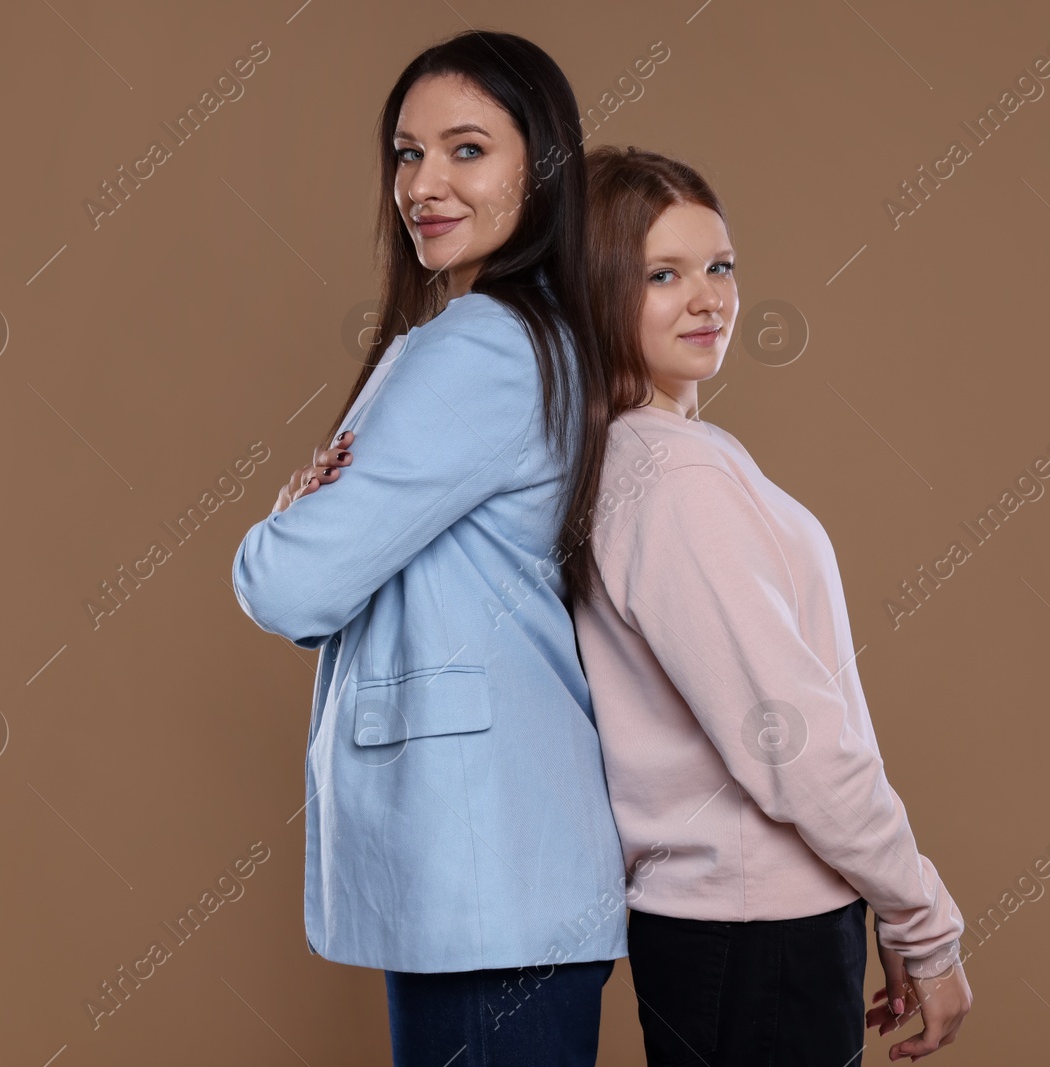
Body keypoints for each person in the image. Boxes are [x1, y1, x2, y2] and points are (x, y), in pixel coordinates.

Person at [230, 32, 626, 1067]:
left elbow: (288, 582)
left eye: (465, 150)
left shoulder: (481, 349)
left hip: (487, 878)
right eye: (406, 153)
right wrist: (312, 546)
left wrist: (282, 527)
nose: (423, 184)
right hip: (495, 877)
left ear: (538, 170)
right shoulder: (524, 337)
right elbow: (320, 601)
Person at [567, 145, 975, 1065]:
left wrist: (880, 897)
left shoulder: (648, 457)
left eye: (720, 265)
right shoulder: (674, 480)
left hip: (747, 922)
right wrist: (923, 919)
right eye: (662, 274)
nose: (708, 298)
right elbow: (791, 734)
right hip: (752, 930)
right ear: (597, 291)